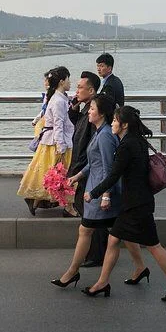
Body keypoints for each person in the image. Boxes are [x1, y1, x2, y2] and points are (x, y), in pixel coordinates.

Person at [82, 106, 166, 302]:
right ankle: (103, 282)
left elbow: (113, 175)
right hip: (138, 202)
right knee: (115, 240)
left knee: (154, 246)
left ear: (124, 125)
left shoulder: (126, 146)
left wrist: (94, 193)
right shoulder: (138, 141)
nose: (112, 123)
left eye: (115, 121)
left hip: (136, 205)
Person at [52, 94, 120, 288]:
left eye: (91, 109)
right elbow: (93, 163)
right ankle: (140, 269)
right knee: (119, 234)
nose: (88, 111)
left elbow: (109, 168)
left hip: (99, 191)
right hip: (95, 186)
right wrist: (77, 176)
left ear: (101, 113)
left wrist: (105, 195)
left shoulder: (105, 135)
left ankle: (72, 272)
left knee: (87, 230)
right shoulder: (99, 132)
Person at [18, 66, 75, 216]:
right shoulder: (58, 101)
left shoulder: (58, 98)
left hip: (51, 142)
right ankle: (68, 206)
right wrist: (61, 147)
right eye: (68, 79)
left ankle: (36, 200)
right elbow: (58, 125)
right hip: (56, 144)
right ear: (62, 81)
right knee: (62, 174)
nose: (71, 82)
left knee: (50, 173)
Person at [67, 71, 108, 267]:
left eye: (80, 87)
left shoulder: (94, 115)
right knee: (87, 211)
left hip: (87, 170)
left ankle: (97, 254)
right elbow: (77, 127)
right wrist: (74, 108)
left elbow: (93, 147)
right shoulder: (85, 111)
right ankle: (95, 252)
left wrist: (81, 171)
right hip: (83, 168)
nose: (76, 90)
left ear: (91, 91)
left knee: (90, 213)